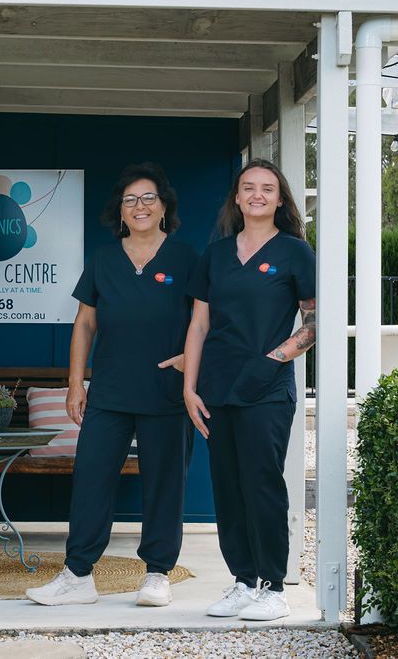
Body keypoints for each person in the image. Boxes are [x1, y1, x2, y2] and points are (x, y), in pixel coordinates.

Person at [26, 163, 197, 608]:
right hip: (110, 392)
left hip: (166, 391)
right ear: (120, 211)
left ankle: (158, 573)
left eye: (148, 199)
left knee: (164, 483)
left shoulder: (187, 259)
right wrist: (74, 383)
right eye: (130, 200)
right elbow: (84, 324)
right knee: (92, 478)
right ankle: (78, 575)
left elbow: (208, 320)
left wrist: (190, 359)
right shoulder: (103, 258)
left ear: (164, 208)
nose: (139, 207)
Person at [184, 158, 315, 622]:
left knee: (262, 485)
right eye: (248, 187)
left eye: (267, 188)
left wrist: (272, 360)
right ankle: (243, 581)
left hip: (266, 388)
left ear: (280, 200)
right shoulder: (216, 255)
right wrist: (189, 387)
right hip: (217, 387)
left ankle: (273, 587)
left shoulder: (296, 252)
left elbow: (314, 322)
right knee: (228, 487)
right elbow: (199, 324)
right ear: (236, 199)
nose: (257, 194)